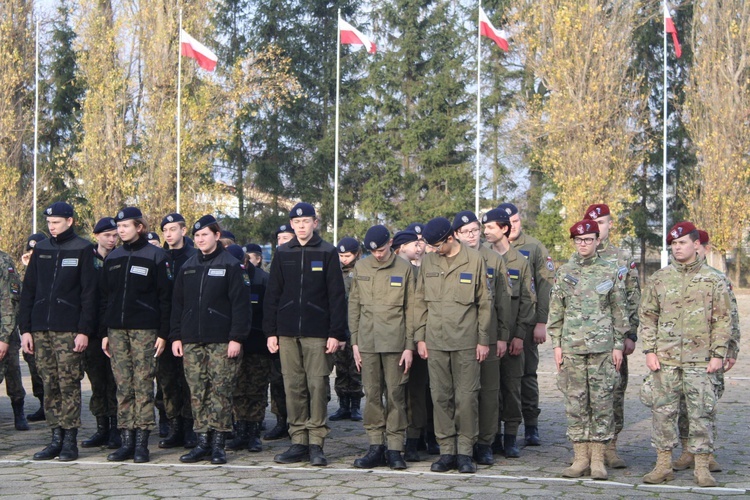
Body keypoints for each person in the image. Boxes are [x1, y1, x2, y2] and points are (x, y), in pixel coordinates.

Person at [640, 222, 733, 487]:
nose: (677, 248)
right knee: (663, 413)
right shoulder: (660, 278)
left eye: (682, 243)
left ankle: (702, 466)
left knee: (701, 413)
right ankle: (663, 465)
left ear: (696, 245)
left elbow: (723, 319)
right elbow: (648, 317)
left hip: (701, 359)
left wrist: (718, 354)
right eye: (674, 244)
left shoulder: (713, 279)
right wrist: (649, 350)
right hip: (665, 359)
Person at [264, 202, 347, 466]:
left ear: (315, 222)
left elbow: (337, 296)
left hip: (318, 332)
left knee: (317, 385)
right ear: (292, 225)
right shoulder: (282, 252)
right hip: (287, 332)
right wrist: (271, 332)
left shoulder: (327, 252)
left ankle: (316, 443)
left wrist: (336, 332)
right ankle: (298, 440)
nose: (301, 226)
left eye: (306, 221)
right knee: (293, 387)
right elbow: (272, 295)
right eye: (296, 222)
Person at [548, 219, 629, 480]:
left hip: (602, 349)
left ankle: (597, 460)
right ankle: (580, 458)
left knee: (602, 403)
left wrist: (618, 346)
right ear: (574, 242)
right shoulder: (564, 272)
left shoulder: (610, 271)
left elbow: (619, 311)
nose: (583, 244)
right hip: (572, 349)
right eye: (579, 240)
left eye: (589, 239)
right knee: (576, 403)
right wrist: (556, 345)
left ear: (597, 241)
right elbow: (556, 311)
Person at [20, 202, 98, 461]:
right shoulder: (41, 249)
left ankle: (69, 440)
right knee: (49, 383)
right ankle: (55, 437)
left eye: (56, 222)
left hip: (69, 329)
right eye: (49, 223)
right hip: (41, 327)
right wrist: (26, 330)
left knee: (68, 384)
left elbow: (89, 293)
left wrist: (84, 330)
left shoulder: (84, 248)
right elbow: (28, 291)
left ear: (70, 221)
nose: (51, 227)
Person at [414, 217, 491, 474]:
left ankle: (466, 452)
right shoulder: (428, 261)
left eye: (436, 245)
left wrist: (483, 340)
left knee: (467, 398)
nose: (433, 250)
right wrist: (420, 338)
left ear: (450, 238)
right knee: (440, 397)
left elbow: (484, 304)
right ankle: (446, 451)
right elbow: (420, 302)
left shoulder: (474, 259)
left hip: (467, 342)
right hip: (435, 341)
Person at [171, 217, 250, 464]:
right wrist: (176, 336)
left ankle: (218, 444)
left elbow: (241, 306)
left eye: (205, 234)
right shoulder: (188, 265)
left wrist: (236, 338)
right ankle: (202, 441)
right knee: (197, 391)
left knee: (220, 392)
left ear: (217, 235)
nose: (200, 239)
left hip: (222, 341)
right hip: (192, 340)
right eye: (197, 236)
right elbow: (177, 304)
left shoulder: (231, 265)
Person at [101, 207, 173, 463]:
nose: (120, 230)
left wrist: (163, 333)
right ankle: (126, 441)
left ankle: (142, 442)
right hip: (117, 330)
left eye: (125, 226)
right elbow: (106, 297)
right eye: (118, 227)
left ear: (139, 227)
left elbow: (166, 298)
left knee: (142, 384)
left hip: (145, 329)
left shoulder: (156, 255)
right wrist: (105, 332)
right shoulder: (113, 257)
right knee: (123, 385)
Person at [672, 229, 741, 473]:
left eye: (697, 247)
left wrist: (730, 349)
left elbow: (730, 316)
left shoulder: (717, 278)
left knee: (706, 404)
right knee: (681, 405)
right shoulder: (677, 276)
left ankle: (706, 451)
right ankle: (686, 450)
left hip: (711, 351)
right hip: (682, 353)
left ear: (703, 248)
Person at [349, 225, 415, 470]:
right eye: (373, 251)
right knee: (373, 395)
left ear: (390, 243)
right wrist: (355, 342)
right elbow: (354, 306)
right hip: (367, 343)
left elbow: (412, 309)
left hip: (396, 343)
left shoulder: (405, 269)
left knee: (396, 395)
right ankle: (376, 445)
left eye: (382, 249)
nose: (378, 254)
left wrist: (410, 346)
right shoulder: (361, 267)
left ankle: (395, 448)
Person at [582, 204, 640, 468]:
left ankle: (611, 446)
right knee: (586, 395)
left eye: (603, 222)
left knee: (615, 393)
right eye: (594, 223)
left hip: (614, 339)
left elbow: (633, 297)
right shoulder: (578, 257)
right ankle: (588, 448)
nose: (599, 227)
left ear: (610, 225)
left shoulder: (621, 258)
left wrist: (631, 334)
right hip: (586, 341)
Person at [452, 211, 512, 465]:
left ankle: (485, 442)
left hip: (489, 335)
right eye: (466, 232)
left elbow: (502, 301)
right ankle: (461, 441)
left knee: (488, 391)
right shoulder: (450, 259)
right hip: (460, 336)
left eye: (476, 230)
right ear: (456, 234)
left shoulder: (493, 259)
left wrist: (502, 336)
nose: (472, 235)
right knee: (462, 393)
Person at [482, 208, 536, 458]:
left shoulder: (520, 261)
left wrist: (518, 335)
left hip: (513, 337)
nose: (485, 232)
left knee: (512, 387)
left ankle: (511, 436)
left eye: (490, 227)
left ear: (504, 228)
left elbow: (527, 300)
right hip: (488, 336)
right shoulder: (479, 258)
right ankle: (492, 436)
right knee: (489, 390)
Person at [502, 202, 555, 446]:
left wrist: (541, 322)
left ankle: (531, 424)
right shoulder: (491, 248)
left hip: (527, 321)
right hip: (501, 324)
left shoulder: (534, 247)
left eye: (516, 221)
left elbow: (544, 287)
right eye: (508, 222)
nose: (513, 226)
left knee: (526, 375)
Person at [157, 213, 198, 449]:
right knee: (168, 381)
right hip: (164, 327)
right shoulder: (158, 257)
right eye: (165, 230)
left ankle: (191, 427)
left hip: (189, 326)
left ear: (183, 231)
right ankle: (174, 427)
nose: (169, 234)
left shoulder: (194, 257)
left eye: (173, 229)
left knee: (189, 380)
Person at [393, 229, 435, 461]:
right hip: (394, 339)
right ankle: (397, 439)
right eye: (413, 243)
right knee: (398, 392)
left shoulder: (422, 270)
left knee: (418, 392)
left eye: (421, 242)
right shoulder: (394, 269)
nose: (419, 247)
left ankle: (414, 438)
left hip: (417, 338)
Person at [226, 243, 270, 453]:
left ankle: (253, 433)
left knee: (256, 390)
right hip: (233, 344)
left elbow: (269, 312)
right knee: (237, 390)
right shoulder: (228, 278)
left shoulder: (261, 279)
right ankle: (240, 430)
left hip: (257, 344)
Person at [81, 217, 121, 449]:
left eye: (115, 235)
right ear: (97, 236)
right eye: (107, 235)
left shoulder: (120, 258)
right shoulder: (88, 259)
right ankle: (101, 428)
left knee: (115, 381)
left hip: (115, 329)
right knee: (97, 381)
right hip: (93, 330)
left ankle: (116, 429)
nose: (112, 239)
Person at [263, 224, 295, 441]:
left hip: (297, 329)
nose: (282, 241)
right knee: (277, 379)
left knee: (299, 382)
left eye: (287, 237)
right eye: (280, 237)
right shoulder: (269, 267)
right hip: (278, 329)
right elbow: (269, 300)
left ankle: (299, 423)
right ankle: (281, 420)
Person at [329, 237, 364, 422]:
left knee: (356, 368)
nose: (344, 259)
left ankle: (356, 405)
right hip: (340, 326)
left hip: (357, 327)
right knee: (341, 367)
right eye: (341, 255)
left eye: (347, 255)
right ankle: (343, 404)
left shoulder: (362, 271)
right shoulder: (334, 271)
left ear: (357, 254)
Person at [19, 233, 47, 422]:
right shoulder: (25, 272)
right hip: (31, 327)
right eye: (30, 252)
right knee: (33, 366)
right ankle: (42, 403)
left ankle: (52, 406)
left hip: (47, 326)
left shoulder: (49, 269)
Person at [0, 246, 25, 430]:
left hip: (3, 328)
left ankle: (19, 411)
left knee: (12, 371)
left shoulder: (3, 261)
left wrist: (4, 336)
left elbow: (10, 300)